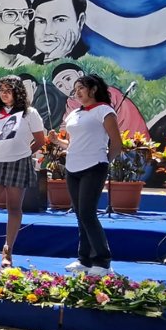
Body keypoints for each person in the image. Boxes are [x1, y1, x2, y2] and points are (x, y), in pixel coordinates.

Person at [48, 74, 122, 277]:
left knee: (88, 213)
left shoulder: (105, 111)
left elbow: (116, 143)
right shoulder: (74, 114)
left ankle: (103, 262)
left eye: (81, 87)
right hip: (73, 168)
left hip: (94, 166)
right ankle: (85, 259)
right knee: (80, 214)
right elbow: (72, 144)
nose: (77, 92)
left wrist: (105, 160)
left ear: (94, 89)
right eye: (75, 89)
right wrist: (56, 141)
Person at [0, 75, 46, 267]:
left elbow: (40, 140)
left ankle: (7, 252)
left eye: (9, 90)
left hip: (19, 163)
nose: (4, 94)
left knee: (14, 208)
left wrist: (25, 154)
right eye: (2, 90)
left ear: (18, 91)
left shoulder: (29, 113)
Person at [54, 63, 151, 137]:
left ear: (80, 74)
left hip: (128, 137)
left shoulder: (107, 94)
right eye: (60, 85)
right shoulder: (71, 103)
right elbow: (66, 125)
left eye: (67, 79)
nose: (66, 87)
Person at [30, 0, 88, 64]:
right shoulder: (31, 63)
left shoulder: (89, 61)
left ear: (80, 21)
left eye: (60, 20)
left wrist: (54, 60)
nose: (48, 31)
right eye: (41, 21)